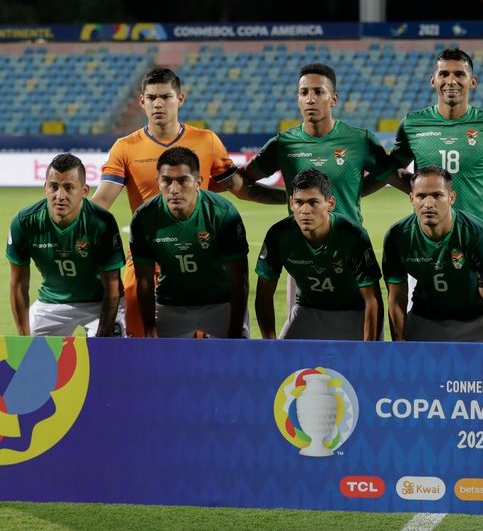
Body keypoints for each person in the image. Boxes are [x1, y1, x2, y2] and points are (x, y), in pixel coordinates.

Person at [92, 67, 281, 337]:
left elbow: (241, 189)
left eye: (166, 97)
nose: (158, 103)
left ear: (180, 99)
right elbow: (102, 200)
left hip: (201, 259)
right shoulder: (125, 147)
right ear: (141, 101)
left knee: (203, 352)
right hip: (147, 259)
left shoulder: (206, 141)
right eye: (152, 97)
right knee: (141, 344)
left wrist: (291, 199)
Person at [242, 63, 407, 226]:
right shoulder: (282, 144)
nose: (310, 99)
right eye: (304, 92)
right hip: (301, 245)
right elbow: (242, 181)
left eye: (318, 92)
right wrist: (286, 197)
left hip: (350, 244)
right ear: (298, 98)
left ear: (333, 99)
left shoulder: (360, 140)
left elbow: (392, 176)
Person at [390, 47, 483, 226]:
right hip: (429, 237)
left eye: (460, 75)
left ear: (473, 81)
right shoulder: (412, 124)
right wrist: (421, 188)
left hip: (477, 235)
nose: (451, 81)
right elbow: (389, 171)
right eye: (444, 74)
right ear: (433, 80)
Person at [129, 147, 249, 338]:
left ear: (198, 182)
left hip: (221, 303)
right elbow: (144, 281)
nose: (174, 190)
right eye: (166, 181)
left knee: (234, 363)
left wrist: (235, 331)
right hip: (170, 304)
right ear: (158, 182)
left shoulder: (223, 213)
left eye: (183, 180)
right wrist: (150, 330)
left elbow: (239, 279)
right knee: (162, 366)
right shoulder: (144, 218)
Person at [255, 169, 383, 340]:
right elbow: (263, 295)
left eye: (313, 202)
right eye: (299, 202)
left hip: (354, 313)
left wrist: (370, 348)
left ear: (330, 203)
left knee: (360, 366)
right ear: (291, 203)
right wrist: (270, 344)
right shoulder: (279, 235)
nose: (305, 210)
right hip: (307, 310)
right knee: (281, 364)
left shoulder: (353, 235)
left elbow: (372, 299)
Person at [7, 153, 125, 337]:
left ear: (84, 191)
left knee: (108, 358)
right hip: (51, 302)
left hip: (99, 303)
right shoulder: (24, 222)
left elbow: (112, 287)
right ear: (45, 187)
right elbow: (18, 285)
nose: (60, 196)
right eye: (54, 187)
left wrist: (103, 340)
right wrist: (24, 339)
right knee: (30, 360)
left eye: (69, 188)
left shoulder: (101, 223)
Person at [383, 165, 483, 342]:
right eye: (421, 196)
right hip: (424, 320)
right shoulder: (397, 236)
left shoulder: (478, 234)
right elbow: (396, 298)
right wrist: (399, 346)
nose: (428, 204)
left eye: (437, 195)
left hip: (475, 322)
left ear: (451, 198)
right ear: (411, 198)